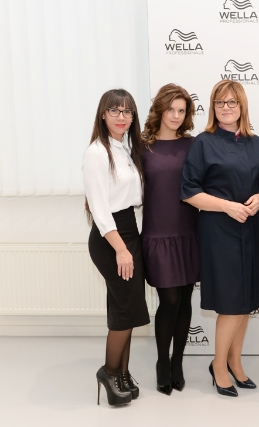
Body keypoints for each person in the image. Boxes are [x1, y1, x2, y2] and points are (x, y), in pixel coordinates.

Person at [181, 80, 259, 397]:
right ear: (213, 107)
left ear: (242, 106)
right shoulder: (203, 143)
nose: (226, 107)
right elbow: (189, 192)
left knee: (245, 302)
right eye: (220, 102)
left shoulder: (257, 143)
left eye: (232, 102)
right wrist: (227, 206)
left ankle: (235, 361)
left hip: (251, 229)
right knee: (231, 303)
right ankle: (218, 366)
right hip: (219, 232)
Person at [82, 89, 150, 406]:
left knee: (127, 308)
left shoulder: (125, 149)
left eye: (127, 111)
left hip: (129, 231)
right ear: (103, 114)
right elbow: (99, 208)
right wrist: (121, 249)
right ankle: (108, 372)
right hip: (111, 237)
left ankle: (122, 372)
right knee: (126, 307)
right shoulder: (97, 152)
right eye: (115, 111)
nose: (121, 117)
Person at [140, 84, 200, 396]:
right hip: (157, 233)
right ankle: (162, 362)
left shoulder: (193, 145)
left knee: (185, 300)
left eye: (181, 110)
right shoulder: (142, 146)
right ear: (160, 110)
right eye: (171, 109)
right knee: (170, 301)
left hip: (188, 232)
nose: (176, 116)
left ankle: (177, 362)